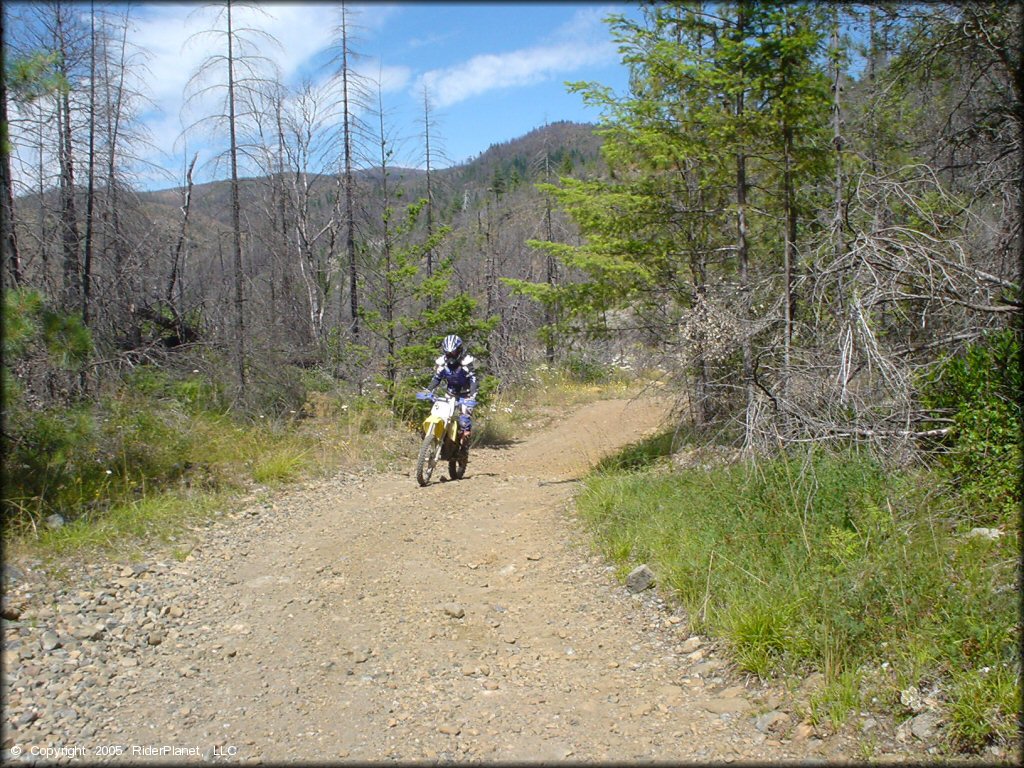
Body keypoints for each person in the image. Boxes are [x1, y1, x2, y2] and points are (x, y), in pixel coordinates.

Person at [425, 334, 478, 441]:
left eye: (453, 352)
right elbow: (437, 378)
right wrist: (427, 390)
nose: (450, 355)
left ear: (459, 350)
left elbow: (473, 380)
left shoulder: (466, 362)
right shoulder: (443, 362)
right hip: (450, 393)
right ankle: (435, 437)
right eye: (448, 352)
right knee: (439, 413)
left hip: (466, 393)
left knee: (464, 420)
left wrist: (472, 396)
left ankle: (463, 445)